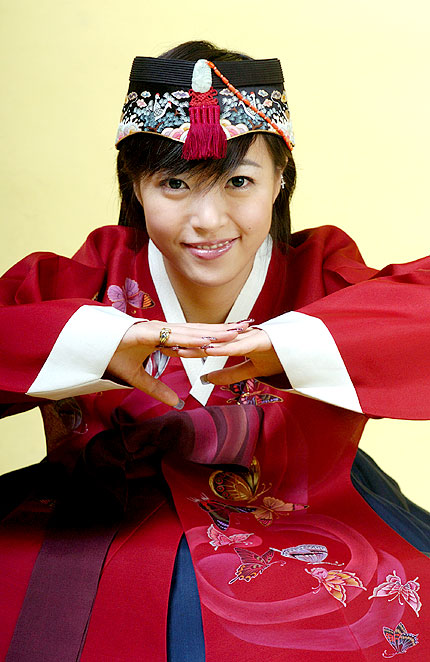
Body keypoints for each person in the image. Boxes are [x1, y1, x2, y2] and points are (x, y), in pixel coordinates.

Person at [0, 40, 429, 662]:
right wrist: (92, 342)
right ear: (134, 185)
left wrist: (296, 341)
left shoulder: (322, 277)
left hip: (306, 522)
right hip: (92, 521)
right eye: (174, 183)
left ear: (280, 179)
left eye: (238, 182)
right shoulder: (82, 281)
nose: (207, 219)